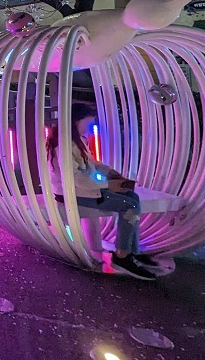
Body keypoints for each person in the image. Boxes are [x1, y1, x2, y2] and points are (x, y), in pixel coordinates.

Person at [46, 102, 163, 281]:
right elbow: (74, 178)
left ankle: (131, 251)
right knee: (128, 205)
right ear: (77, 120)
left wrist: (111, 174)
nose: (90, 125)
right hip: (73, 194)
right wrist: (108, 186)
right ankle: (122, 256)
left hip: (84, 190)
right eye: (88, 121)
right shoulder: (64, 145)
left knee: (133, 197)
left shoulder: (77, 139)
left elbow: (92, 163)